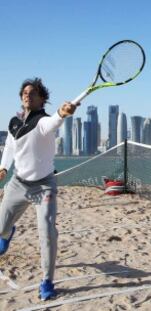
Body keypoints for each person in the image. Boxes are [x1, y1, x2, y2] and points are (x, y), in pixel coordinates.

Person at [0, 78, 76, 300]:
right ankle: (8, 233)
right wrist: (4, 167)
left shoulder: (43, 121)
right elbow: (10, 147)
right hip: (17, 183)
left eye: (32, 93)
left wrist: (62, 113)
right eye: (24, 92)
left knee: (47, 232)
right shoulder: (14, 122)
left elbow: (54, 122)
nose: (27, 95)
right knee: (1, 227)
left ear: (42, 99)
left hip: (44, 187)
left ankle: (47, 281)